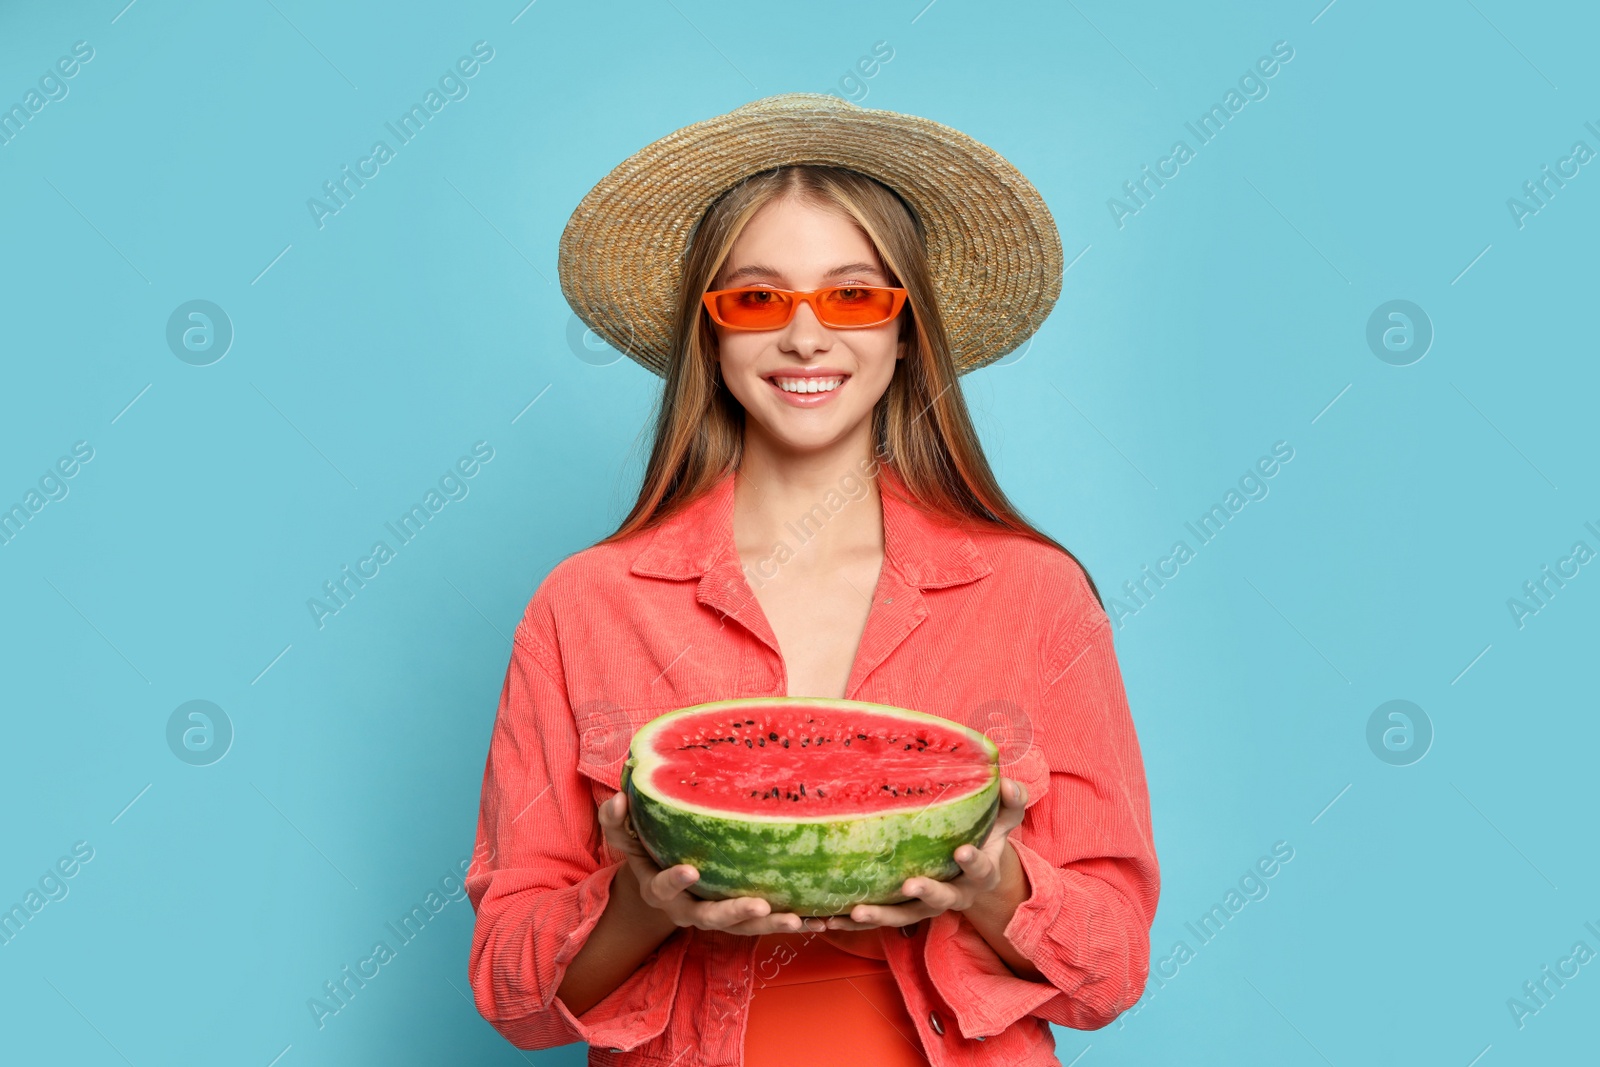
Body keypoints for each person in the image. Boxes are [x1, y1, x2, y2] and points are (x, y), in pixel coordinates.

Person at [465, 93, 1160, 1067]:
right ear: (710, 333)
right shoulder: (585, 604)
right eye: (756, 298)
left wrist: (993, 883)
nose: (804, 336)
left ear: (905, 327)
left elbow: (1113, 969)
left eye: (852, 295)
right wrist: (634, 901)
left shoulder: (1035, 595)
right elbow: (511, 992)